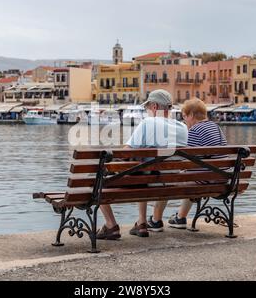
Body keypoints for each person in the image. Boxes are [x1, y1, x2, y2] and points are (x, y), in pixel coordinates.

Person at [96, 89, 188, 240]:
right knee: (142, 171)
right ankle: (142, 222)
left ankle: (111, 225)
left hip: (149, 181)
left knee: (96, 177)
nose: (146, 111)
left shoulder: (148, 123)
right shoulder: (182, 127)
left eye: (147, 108)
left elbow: (125, 153)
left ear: (154, 107)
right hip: (171, 181)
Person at [147, 98, 228, 231]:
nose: (184, 120)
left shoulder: (195, 130)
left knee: (168, 180)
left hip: (205, 181)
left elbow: (182, 159)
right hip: (222, 179)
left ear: (191, 115)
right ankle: (180, 218)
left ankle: (155, 221)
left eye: (184, 116)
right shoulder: (216, 127)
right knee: (190, 175)